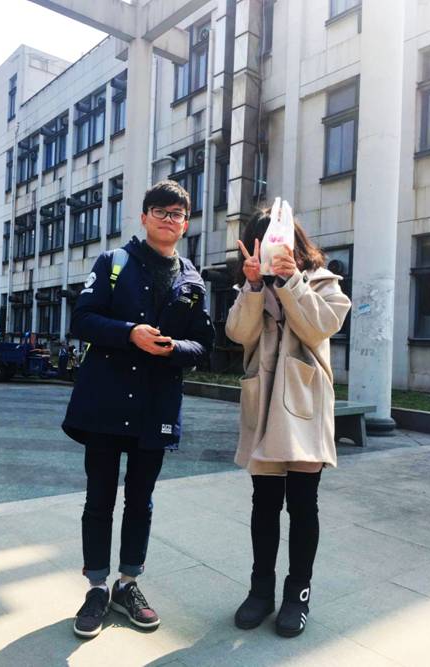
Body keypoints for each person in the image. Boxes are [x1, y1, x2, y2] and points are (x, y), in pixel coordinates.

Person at [62, 180, 215, 638]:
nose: (169, 219)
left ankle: (127, 584)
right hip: (106, 403)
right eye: (161, 211)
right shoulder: (114, 262)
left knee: (140, 501)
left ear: (185, 224)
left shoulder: (192, 279)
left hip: (155, 406)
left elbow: (203, 344)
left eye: (177, 214)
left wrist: (173, 349)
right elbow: (82, 320)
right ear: (144, 216)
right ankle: (96, 587)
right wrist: (130, 332)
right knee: (99, 499)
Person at [225, 208, 351, 638]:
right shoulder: (251, 286)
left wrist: (291, 279)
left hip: (304, 405)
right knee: (264, 504)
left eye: (278, 241)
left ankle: (298, 594)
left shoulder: (323, 281)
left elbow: (320, 328)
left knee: (302, 505)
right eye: (261, 244)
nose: (271, 250)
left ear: (294, 241)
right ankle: (260, 591)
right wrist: (253, 286)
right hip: (263, 406)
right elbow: (238, 333)